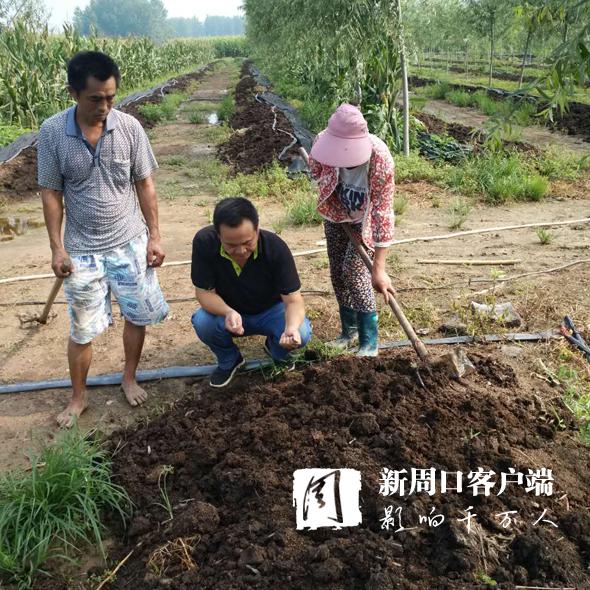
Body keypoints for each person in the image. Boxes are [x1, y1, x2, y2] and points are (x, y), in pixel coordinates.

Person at [37, 51, 169, 427]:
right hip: (82, 250)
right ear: (73, 93)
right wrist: (57, 248)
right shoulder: (52, 132)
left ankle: (129, 377)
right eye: (95, 98)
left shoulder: (129, 128)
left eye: (111, 97)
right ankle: (78, 397)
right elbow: (51, 193)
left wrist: (154, 236)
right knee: (82, 330)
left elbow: (144, 183)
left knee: (136, 315)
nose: (105, 107)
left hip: (129, 241)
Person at [191, 197, 312, 387]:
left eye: (248, 242)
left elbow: (293, 301)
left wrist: (291, 328)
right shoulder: (204, 243)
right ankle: (229, 360)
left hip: (270, 311)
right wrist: (228, 312)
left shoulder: (275, 248)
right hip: (229, 313)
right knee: (203, 322)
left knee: (301, 332)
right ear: (218, 234)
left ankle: (277, 351)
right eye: (231, 245)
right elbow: (204, 293)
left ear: (257, 229)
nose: (240, 251)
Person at [308, 103, 396, 357]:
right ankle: (350, 331)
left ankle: (369, 341)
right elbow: (316, 170)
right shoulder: (322, 143)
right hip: (336, 213)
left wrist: (379, 269)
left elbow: (382, 212)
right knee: (338, 271)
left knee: (354, 272)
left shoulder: (379, 159)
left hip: (364, 220)